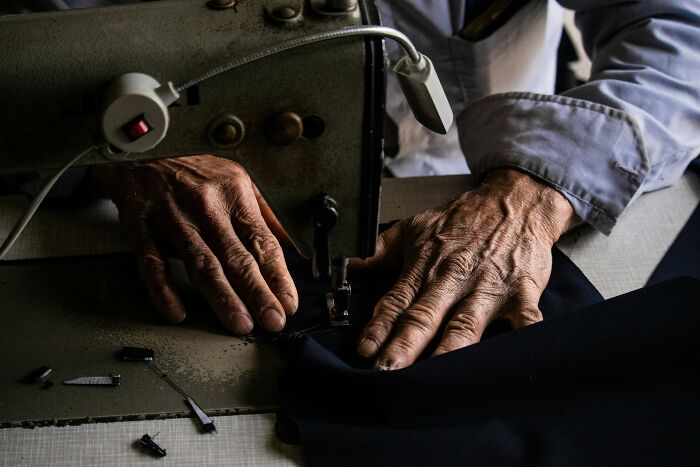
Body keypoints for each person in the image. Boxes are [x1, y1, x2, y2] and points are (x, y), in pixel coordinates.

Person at [6, 1, 700, 370]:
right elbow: (35, 44)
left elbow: (678, 27)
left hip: (473, 183)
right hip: (152, 188)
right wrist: (123, 153)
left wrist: (532, 191)